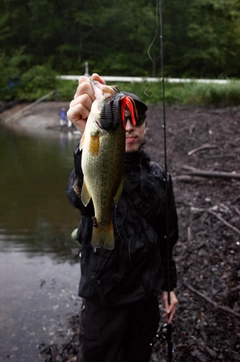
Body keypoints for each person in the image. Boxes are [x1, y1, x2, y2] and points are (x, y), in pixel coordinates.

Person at [66, 73, 179, 362]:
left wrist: (168, 286)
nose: (130, 126)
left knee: (138, 355)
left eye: (137, 118)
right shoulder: (94, 149)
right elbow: (78, 198)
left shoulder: (160, 177)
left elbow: (168, 235)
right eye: (123, 118)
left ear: (145, 124)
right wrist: (85, 141)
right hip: (103, 295)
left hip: (145, 294)